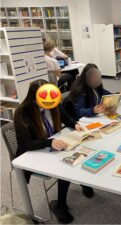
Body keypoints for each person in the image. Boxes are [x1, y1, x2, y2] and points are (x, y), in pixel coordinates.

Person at [14, 79, 94, 224]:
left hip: (52, 146)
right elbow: (25, 144)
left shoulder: (53, 102)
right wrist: (49, 142)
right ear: (33, 98)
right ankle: (60, 206)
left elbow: (66, 118)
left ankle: (83, 181)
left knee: (82, 150)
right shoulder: (22, 112)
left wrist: (75, 124)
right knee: (65, 166)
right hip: (33, 153)